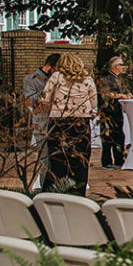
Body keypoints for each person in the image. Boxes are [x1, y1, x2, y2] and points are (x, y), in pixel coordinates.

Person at [39, 52, 97, 193]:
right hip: (81, 123)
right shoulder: (87, 79)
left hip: (59, 122)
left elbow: (44, 99)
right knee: (81, 162)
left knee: (57, 162)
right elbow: (94, 102)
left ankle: (50, 196)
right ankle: (78, 196)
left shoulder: (56, 77)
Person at [23, 53, 60, 187]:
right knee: (45, 159)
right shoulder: (31, 79)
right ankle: (46, 187)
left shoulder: (57, 79)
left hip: (56, 122)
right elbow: (30, 101)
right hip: (42, 123)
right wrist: (48, 92)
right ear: (49, 66)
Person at [97, 54, 133, 169]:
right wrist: (121, 95)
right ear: (115, 66)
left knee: (119, 135)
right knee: (107, 136)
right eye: (121, 65)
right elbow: (105, 94)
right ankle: (107, 161)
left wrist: (128, 94)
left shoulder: (120, 79)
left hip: (117, 111)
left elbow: (125, 90)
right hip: (107, 112)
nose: (123, 67)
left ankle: (119, 159)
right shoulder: (105, 78)